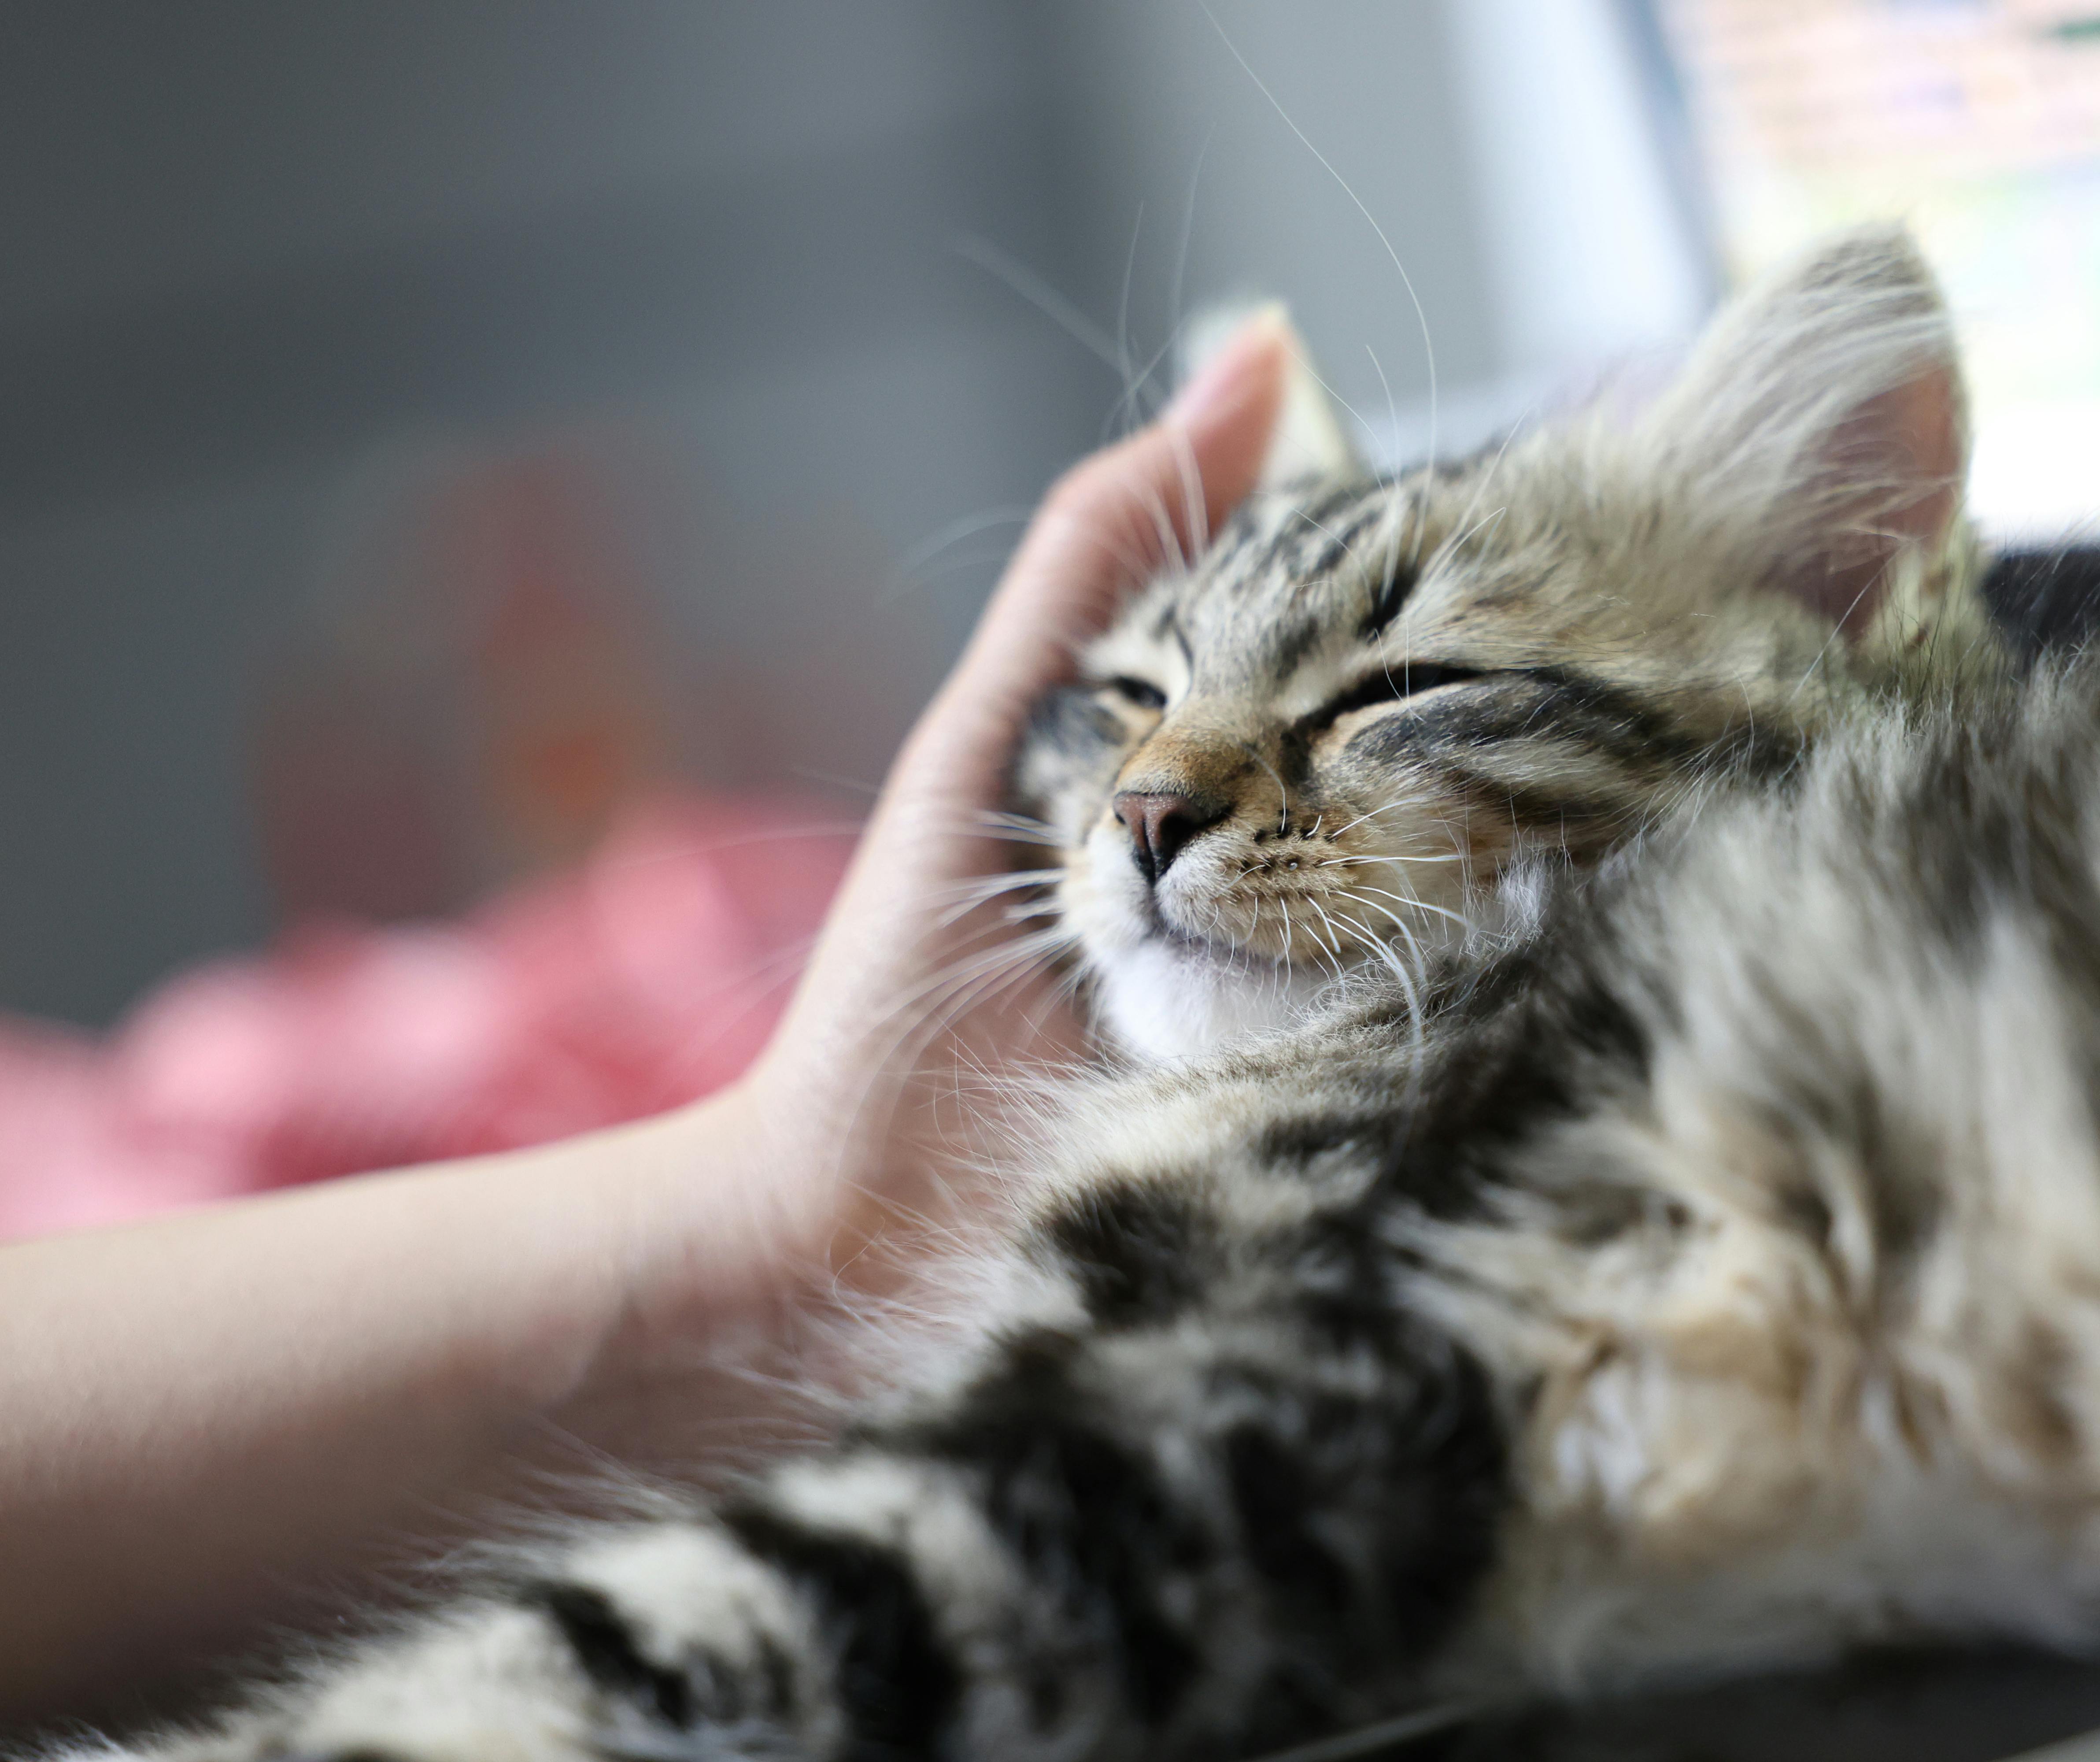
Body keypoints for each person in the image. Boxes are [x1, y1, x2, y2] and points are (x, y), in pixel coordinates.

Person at [0, 320, 1292, 1727]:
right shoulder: (238, 1074)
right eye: (483, 658)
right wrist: (803, 1244)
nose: (556, 694)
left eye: (580, 619)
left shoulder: (728, 901)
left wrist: (810, 1237)